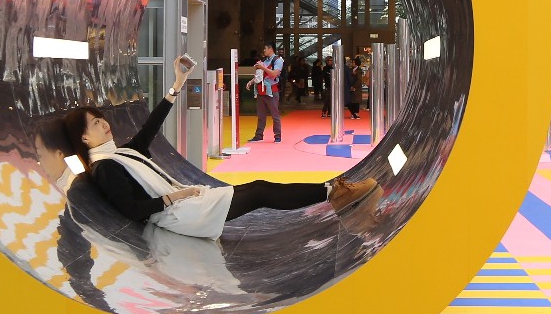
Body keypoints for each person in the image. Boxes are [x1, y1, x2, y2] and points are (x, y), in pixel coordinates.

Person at [63, 57, 375, 241]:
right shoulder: (106, 167)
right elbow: (130, 209)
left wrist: (177, 84)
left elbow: (150, 126)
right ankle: (337, 195)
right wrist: (175, 197)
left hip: (185, 205)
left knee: (257, 188)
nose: (104, 124)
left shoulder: (121, 154)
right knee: (260, 192)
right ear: (85, 139)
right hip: (181, 214)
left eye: (101, 119)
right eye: (95, 124)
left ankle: (335, 194)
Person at [250, 43, 285, 142]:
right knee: (261, 115)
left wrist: (263, 68)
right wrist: (251, 81)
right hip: (261, 91)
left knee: (275, 115)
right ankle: (259, 135)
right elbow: (260, 75)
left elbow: (274, 74)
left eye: (265, 48)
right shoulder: (265, 60)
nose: (264, 50)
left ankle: (277, 136)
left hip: (272, 91)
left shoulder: (278, 60)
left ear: (270, 49)